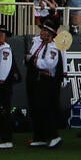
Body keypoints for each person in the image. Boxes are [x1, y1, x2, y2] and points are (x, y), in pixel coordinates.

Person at [27, 20, 66, 148]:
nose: (42, 33)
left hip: (48, 82)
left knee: (47, 109)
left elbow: (49, 64)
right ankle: (40, 136)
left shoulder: (54, 47)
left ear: (50, 34)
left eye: (44, 31)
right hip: (39, 80)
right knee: (37, 109)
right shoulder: (40, 45)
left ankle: (54, 136)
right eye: (42, 30)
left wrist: (34, 61)